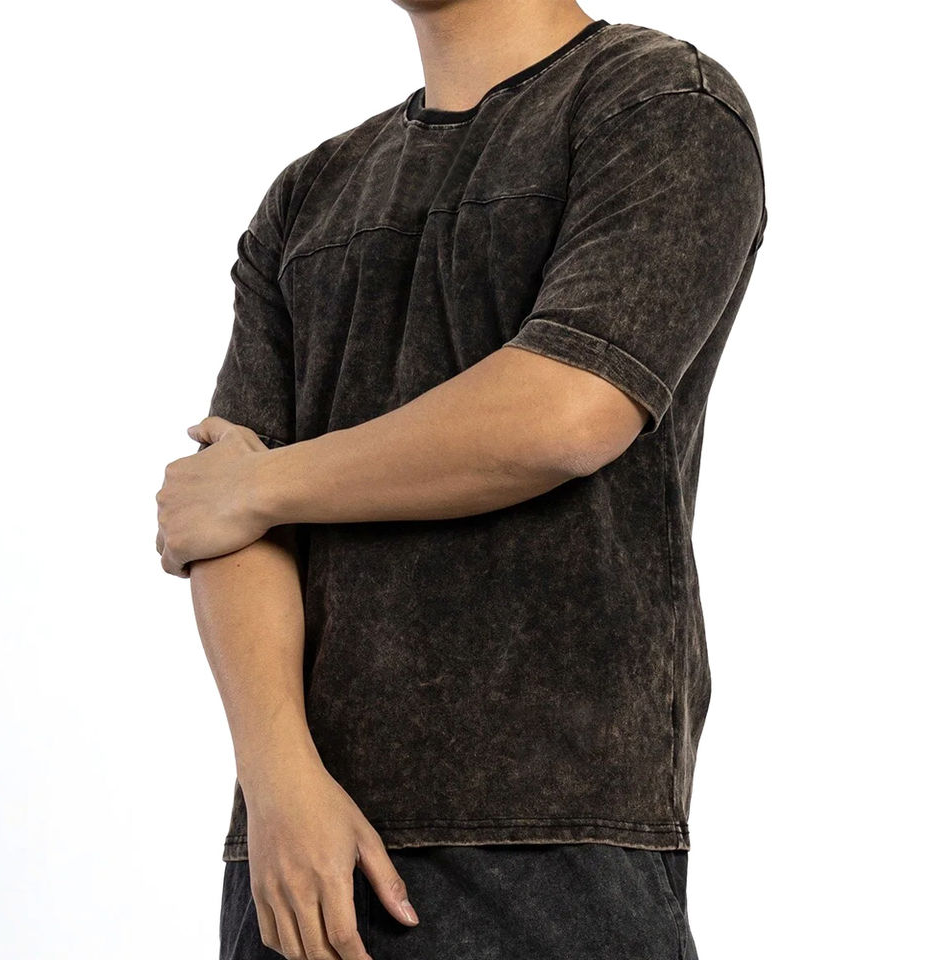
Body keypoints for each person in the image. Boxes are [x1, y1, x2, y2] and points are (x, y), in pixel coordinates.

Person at [155, 1, 768, 957]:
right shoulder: (311, 193)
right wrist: (279, 782)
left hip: (555, 834)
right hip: (300, 847)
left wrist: (261, 486)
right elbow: (218, 520)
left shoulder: (657, 102)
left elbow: (565, 413)